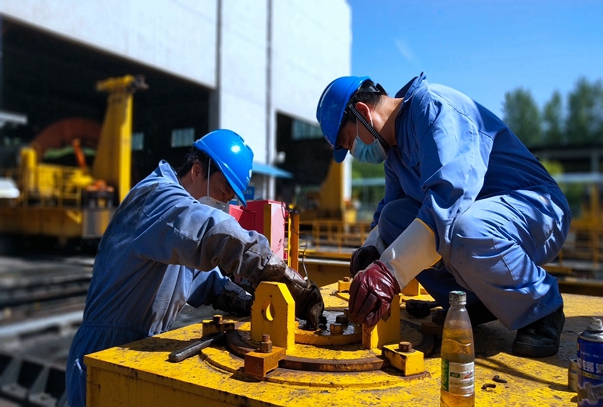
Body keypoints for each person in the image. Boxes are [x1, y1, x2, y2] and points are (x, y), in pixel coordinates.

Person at [316, 73, 571, 359]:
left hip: (536, 209)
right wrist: (371, 250)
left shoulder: (433, 108)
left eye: (350, 141)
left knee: (462, 228)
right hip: (485, 221)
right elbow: (390, 210)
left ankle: (541, 309)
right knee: (393, 220)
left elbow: (448, 199)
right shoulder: (395, 153)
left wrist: (389, 272)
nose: (354, 152)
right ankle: (474, 302)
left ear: (363, 113)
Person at [66, 129, 324, 407]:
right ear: (198, 169)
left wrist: (244, 300)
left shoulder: (173, 221)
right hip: (102, 349)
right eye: (223, 191)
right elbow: (210, 232)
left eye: (230, 198)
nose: (224, 203)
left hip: (137, 348)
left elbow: (200, 279)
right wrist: (282, 275)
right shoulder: (156, 198)